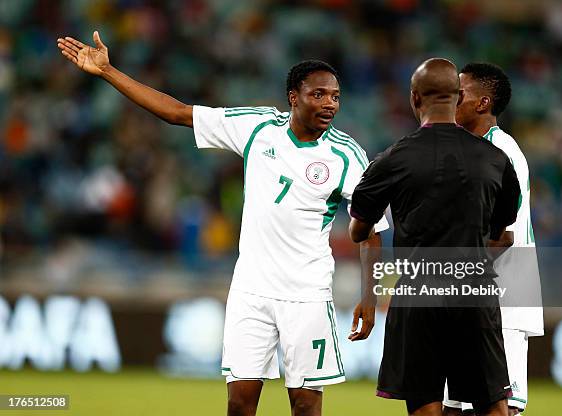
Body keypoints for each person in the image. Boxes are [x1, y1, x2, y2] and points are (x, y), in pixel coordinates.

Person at [57, 31, 388, 416]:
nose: (330, 103)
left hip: (308, 295)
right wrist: (109, 72)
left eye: (335, 96)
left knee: (306, 405)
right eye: (319, 94)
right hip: (251, 290)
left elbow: (373, 229)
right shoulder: (258, 128)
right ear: (293, 98)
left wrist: (369, 297)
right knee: (240, 403)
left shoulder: (346, 155)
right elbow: (177, 112)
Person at [348, 58, 520, 416]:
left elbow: (359, 227)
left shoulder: (393, 159)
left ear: (414, 99)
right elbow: (502, 234)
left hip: (418, 294)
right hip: (473, 292)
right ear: (458, 98)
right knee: (493, 404)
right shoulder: (495, 159)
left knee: (425, 403)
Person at [443, 63, 544, 416]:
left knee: (500, 408)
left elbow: (504, 237)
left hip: (506, 296)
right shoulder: (460, 149)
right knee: (452, 407)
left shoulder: (504, 153)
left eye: (461, 93)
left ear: (483, 103)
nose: (452, 99)